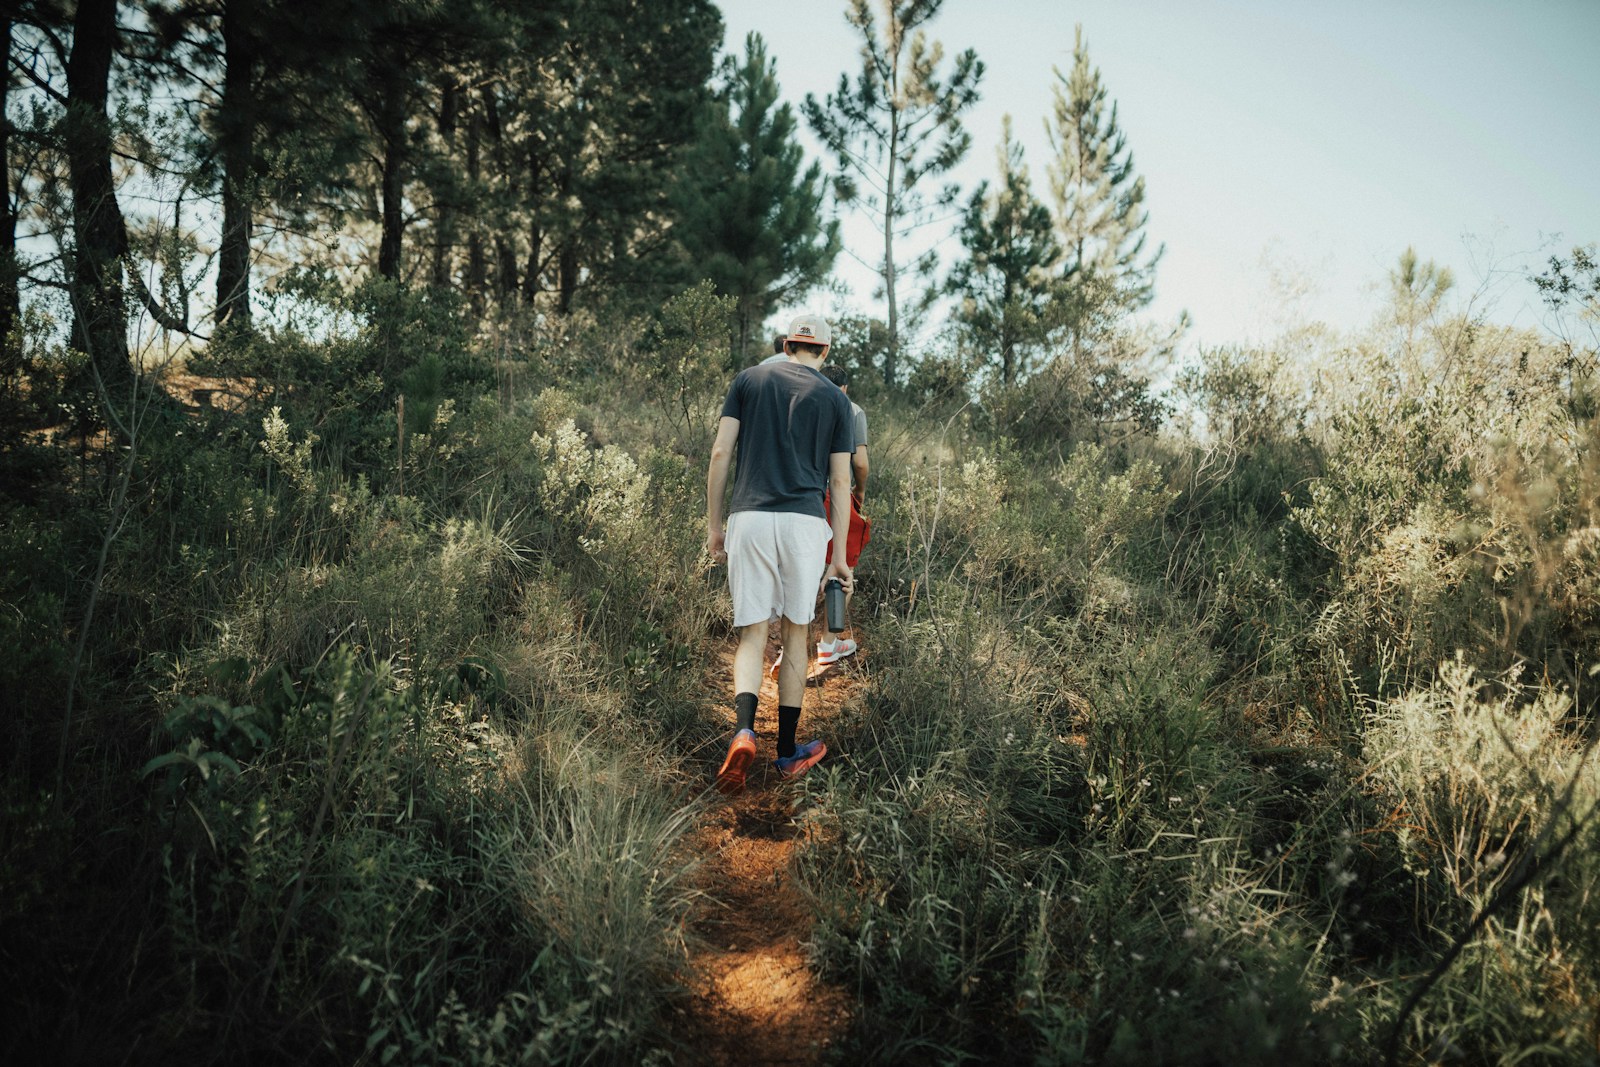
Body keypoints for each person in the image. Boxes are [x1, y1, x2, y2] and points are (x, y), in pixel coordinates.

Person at [706, 313, 855, 792]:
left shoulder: (747, 380)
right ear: (825, 353)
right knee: (796, 635)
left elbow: (720, 454)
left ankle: (744, 731)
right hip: (805, 525)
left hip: (748, 517)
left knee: (751, 634)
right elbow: (840, 481)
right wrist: (838, 559)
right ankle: (788, 752)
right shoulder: (837, 401)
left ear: (786, 344)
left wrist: (715, 527)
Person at [815, 363, 870, 667]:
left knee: (804, 566)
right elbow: (859, 462)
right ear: (845, 388)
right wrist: (859, 493)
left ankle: (790, 643)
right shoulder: (852, 409)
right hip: (836, 494)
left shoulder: (803, 399)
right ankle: (827, 644)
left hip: (802, 494)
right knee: (841, 566)